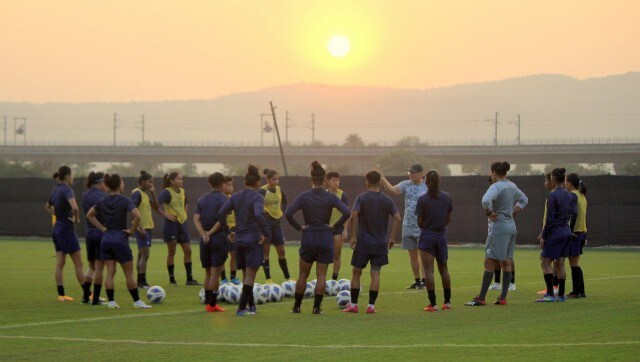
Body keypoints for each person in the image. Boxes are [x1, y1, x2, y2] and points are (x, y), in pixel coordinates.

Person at [286, 161, 350, 315]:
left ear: (312, 180)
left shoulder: (304, 196)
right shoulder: (330, 197)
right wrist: (334, 227)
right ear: (324, 181)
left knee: (303, 274)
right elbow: (347, 212)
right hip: (325, 236)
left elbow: (288, 213)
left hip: (309, 236)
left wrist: (299, 227)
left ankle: (296, 306)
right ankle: (316, 308)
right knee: (321, 274)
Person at [466, 161, 527, 306]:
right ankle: (503, 297)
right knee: (506, 262)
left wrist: (489, 212)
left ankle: (481, 298)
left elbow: (486, 200)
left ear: (493, 172)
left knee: (489, 262)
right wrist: (512, 213)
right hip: (511, 227)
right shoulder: (512, 185)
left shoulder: (496, 186)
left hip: (498, 229)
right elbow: (524, 200)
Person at [86, 173, 151, 309]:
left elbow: (89, 215)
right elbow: (137, 216)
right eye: (122, 182)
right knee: (129, 273)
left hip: (106, 239)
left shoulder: (102, 200)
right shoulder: (125, 200)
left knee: (110, 271)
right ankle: (137, 301)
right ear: (119, 185)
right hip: (120, 239)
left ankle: (111, 302)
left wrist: (103, 228)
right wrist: (132, 231)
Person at [343, 170, 400, 314]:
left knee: (356, 272)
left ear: (367, 182)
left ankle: (354, 305)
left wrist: (354, 236)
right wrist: (392, 237)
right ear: (380, 182)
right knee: (375, 274)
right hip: (380, 244)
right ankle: (371, 307)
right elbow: (398, 218)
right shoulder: (387, 200)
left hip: (363, 243)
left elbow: (353, 215)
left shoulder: (361, 198)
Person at [218, 165, 269, 316]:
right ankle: (241, 308)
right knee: (251, 275)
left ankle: (251, 306)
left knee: (246, 274)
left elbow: (221, 212)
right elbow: (259, 214)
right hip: (252, 239)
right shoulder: (258, 197)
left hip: (238, 240)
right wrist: (265, 231)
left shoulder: (236, 196)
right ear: (258, 183)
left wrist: (228, 231)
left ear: (245, 181)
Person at [380, 164, 427, 289]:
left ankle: (425, 281)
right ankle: (417, 281)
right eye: (409, 172)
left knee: (423, 254)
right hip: (408, 225)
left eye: (413, 172)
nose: (410, 174)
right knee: (412, 254)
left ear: (421, 173)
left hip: (423, 226)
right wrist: (383, 179)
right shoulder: (406, 184)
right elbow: (393, 191)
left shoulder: (427, 186)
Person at [44, 165, 86, 302]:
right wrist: (77, 219)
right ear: (67, 176)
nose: (72, 177)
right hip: (67, 229)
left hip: (57, 229)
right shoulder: (68, 190)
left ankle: (61, 295)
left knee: (60, 263)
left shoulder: (55, 189)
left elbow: (47, 207)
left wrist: (55, 213)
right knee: (78, 264)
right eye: (71, 175)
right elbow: (74, 207)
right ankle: (88, 294)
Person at [535, 168, 575, 303]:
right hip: (566, 232)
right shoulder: (570, 195)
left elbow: (550, 219)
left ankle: (550, 295)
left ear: (553, 178)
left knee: (545, 262)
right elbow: (574, 213)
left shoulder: (553, 195)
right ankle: (562, 295)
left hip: (555, 233)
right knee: (561, 264)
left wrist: (544, 236)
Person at [415, 170, 453, 312]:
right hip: (441, 236)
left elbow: (420, 221)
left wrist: (428, 228)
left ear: (426, 182)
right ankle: (447, 302)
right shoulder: (447, 197)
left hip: (427, 237)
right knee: (444, 269)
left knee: (428, 271)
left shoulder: (422, 200)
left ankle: (433, 304)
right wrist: (440, 227)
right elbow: (449, 217)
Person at [193, 172, 229, 312]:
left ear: (210, 183)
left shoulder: (202, 199)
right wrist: (210, 233)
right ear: (223, 183)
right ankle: (212, 305)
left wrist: (203, 233)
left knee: (208, 273)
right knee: (216, 274)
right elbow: (222, 220)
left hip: (204, 241)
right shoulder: (224, 199)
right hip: (218, 239)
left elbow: (196, 219)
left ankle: (208, 302)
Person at [157, 172, 200, 285]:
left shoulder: (182, 191)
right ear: (171, 181)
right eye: (178, 179)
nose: (181, 181)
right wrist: (166, 214)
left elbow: (185, 202)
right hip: (171, 226)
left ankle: (189, 279)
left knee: (188, 251)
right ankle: (172, 280)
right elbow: (155, 204)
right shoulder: (166, 192)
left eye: (181, 179)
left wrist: (184, 214)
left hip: (182, 225)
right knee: (172, 252)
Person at [258, 168, 292, 283]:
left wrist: (283, 211)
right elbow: (256, 205)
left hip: (277, 223)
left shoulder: (279, 189)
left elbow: (285, 202)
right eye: (274, 179)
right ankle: (268, 278)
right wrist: (263, 211)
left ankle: (288, 277)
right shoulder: (261, 191)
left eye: (278, 179)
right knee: (266, 251)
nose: (276, 182)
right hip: (266, 223)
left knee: (281, 251)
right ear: (267, 179)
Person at [131, 171, 162, 289]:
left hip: (147, 227)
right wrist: (139, 228)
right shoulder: (137, 193)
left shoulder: (145, 194)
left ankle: (139, 281)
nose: (151, 183)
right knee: (145, 254)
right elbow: (131, 211)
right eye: (149, 181)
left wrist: (153, 192)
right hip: (142, 228)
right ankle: (142, 281)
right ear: (143, 181)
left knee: (141, 254)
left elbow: (156, 206)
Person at [80, 171, 107, 303]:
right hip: (100, 233)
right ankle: (95, 298)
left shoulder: (85, 195)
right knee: (100, 267)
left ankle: (86, 296)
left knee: (91, 266)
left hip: (89, 233)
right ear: (100, 182)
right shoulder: (103, 196)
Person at [487, 176, 517, 292]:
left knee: (508, 257)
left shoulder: (506, 192)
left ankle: (512, 283)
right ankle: (497, 282)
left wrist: (513, 212)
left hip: (505, 228)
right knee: (495, 256)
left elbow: (523, 199)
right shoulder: (491, 194)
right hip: (493, 228)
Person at [565, 173, 588, 298]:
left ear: (569, 183)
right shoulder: (582, 196)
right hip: (582, 232)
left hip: (575, 232)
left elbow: (574, 214)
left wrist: (570, 230)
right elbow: (585, 216)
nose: (565, 183)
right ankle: (582, 291)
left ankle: (576, 291)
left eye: (566, 181)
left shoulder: (572, 195)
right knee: (576, 262)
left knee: (573, 262)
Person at [326, 171, 350, 281]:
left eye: (337, 180)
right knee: (325, 254)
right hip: (326, 228)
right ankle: (323, 278)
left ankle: (334, 279)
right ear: (328, 181)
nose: (336, 182)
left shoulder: (342, 195)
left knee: (337, 254)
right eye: (333, 180)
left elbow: (347, 213)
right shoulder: (324, 195)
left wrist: (345, 230)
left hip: (338, 228)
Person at [220, 176, 241, 285]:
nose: (231, 187)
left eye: (232, 185)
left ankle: (233, 277)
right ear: (222, 185)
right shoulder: (220, 198)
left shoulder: (233, 198)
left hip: (233, 229)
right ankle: (223, 278)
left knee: (234, 253)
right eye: (229, 185)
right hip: (223, 229)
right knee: (223, 254)